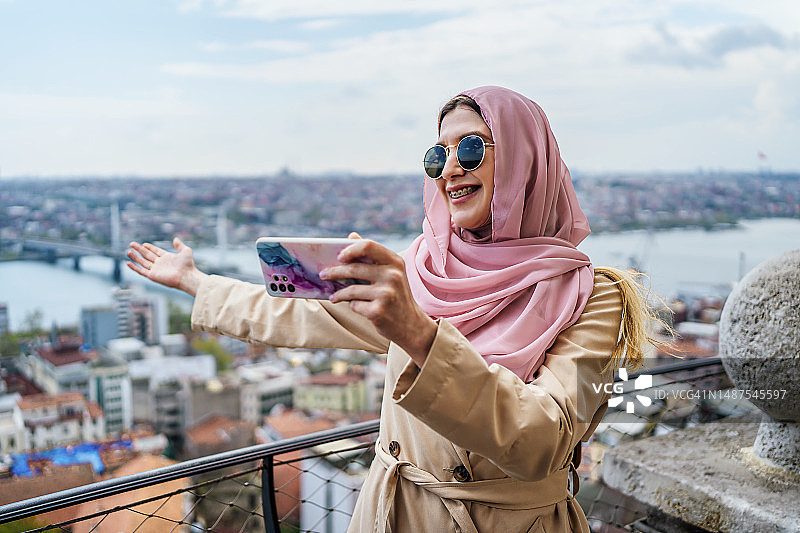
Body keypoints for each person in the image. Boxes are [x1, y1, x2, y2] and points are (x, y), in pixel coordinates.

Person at [127, 86, 652, 532]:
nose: (450, 169)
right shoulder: (422, 271)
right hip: (394, 514)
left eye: (471, 148)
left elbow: (542, 437)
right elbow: (302, 313)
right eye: (436, 155)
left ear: (524, 158)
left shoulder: (593, 296)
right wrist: (197, 283)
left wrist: (419, 334)